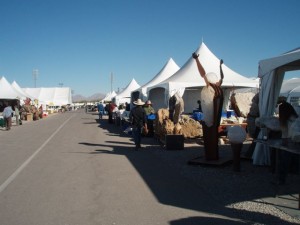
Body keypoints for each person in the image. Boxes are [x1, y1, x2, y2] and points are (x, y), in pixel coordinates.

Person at [193, 52, 224, 160]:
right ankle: (212, 155)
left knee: (210, 136)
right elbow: (221, 78)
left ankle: (211, 156)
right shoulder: (217, 89)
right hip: (214, 118)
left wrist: (196, 60)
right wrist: (220, 67)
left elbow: (203, 74)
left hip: (211, 119)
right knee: (212, 136)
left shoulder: (214, 88)